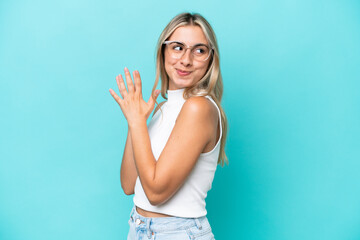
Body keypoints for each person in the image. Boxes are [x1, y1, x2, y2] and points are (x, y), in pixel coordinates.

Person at [109, 12, 228, 240]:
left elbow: (155, 192)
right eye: (177, 47)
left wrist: (137, 123)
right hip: (138, 228)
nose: (186, 60)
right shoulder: (161, 108)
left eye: (199, 50)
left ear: (211, 59)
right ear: (163, 51)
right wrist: (137, 122)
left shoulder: (199, 108)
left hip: (177, 233)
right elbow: (128, 184)